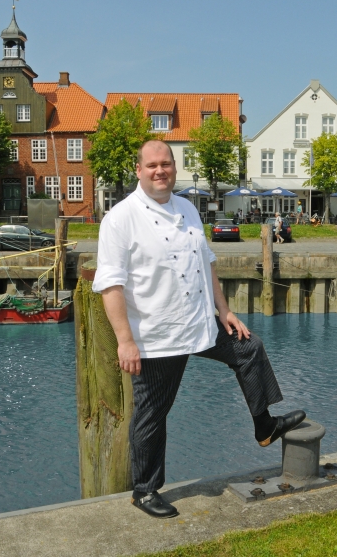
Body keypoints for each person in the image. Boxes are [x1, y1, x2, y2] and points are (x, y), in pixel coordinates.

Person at [93, 140, 305, 519]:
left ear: (175, 168)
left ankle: (265, 425)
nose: (161, 171)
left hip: (197, 320)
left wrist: (224, 310)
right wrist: (125, 341)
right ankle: (144, 491)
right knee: (153, 413)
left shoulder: (187, 208)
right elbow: (111, 285)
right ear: (139, 171)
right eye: (153, 165)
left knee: (247, 348)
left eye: (167, 164)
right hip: (156, 334)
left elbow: (206, 262)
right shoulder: (121, 218)